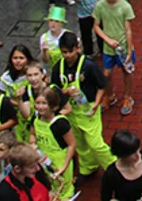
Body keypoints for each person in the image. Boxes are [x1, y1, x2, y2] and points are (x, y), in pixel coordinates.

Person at [51, 32, 116, 177]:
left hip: (88, 109)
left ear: (77, 48)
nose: (68, 55)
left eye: (70, 51)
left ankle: (114, 167)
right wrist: (66, 92)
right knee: (80, 144)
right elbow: (54, 89)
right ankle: (88, 166)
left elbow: (102, 85)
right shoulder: (58, 68)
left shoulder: (89, 65)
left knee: (95, 143)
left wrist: (96, 104)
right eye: (64, 52)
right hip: (70, 111)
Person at [94, 0, 136, 117]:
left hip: (123, 47)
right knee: (106, 74)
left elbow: (128, 30)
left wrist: (129, 50)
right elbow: (96, 26)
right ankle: (109, 96)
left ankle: (127, 97)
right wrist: (107, 40)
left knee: (127, 72)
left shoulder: (125, 7)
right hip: (108, 48)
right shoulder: (100, 6)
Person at [29, 87, 75, 200]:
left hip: (60, 163)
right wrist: (32, 143)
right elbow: (32, 134)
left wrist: (64, 167)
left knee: (64, 192)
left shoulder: (60, 123)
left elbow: (72, 144)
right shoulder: (36, 117)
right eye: (38, 103)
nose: (40, 107)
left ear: (53, 106)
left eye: (44, 103)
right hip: (43, 161)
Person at [101, 130, 142, 201]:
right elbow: (106, 198)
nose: (138, 155)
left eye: (138, 150)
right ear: (122, 155)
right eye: (132, 153)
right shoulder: (111, 174)